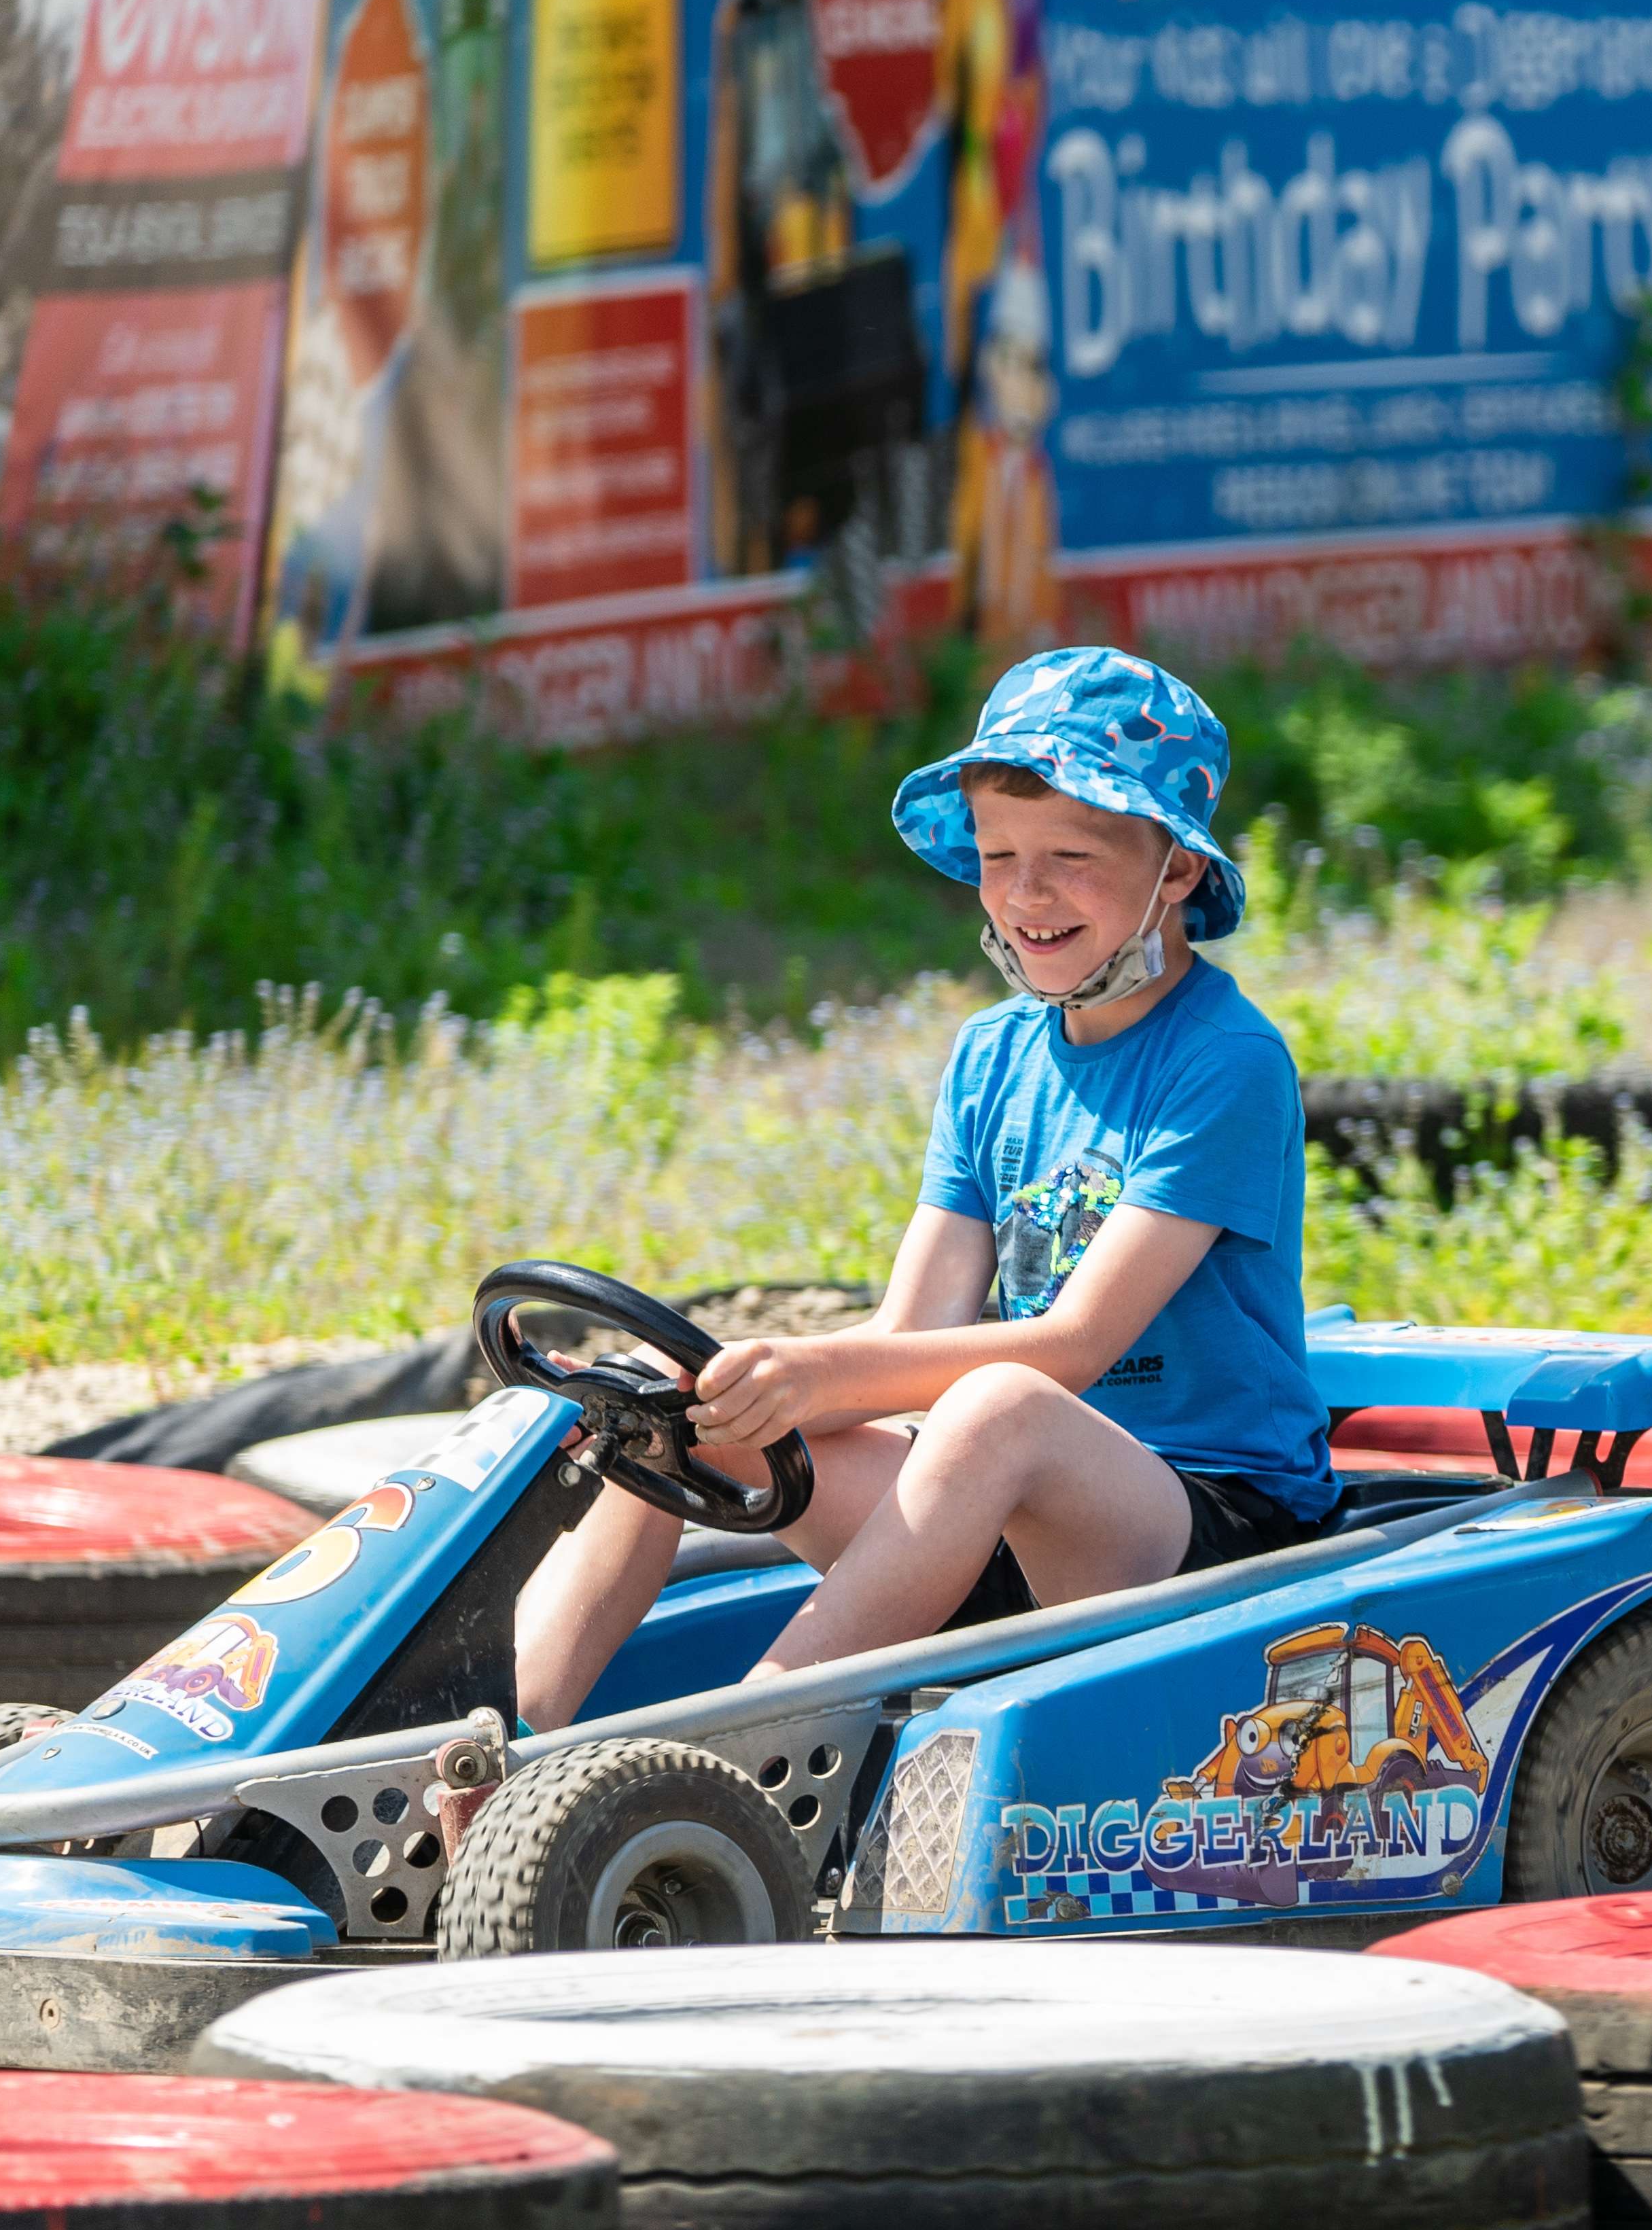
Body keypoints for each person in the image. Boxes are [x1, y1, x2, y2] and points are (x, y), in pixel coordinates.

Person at [510, 646, 1338, 1727]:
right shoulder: (993, 1057)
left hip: (1208, 1528)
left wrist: (812, 1370)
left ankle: (745, 1738)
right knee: (664, 1410)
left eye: (1072, 857)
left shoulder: (1225, 1060)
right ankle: (501, 1743)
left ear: (1176, 872)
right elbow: (912, 1329)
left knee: (1002, 1405)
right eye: (1000, 856)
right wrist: (734, 1388)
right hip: (1003, 1509)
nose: (1028, 894)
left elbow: (1074, 1349)